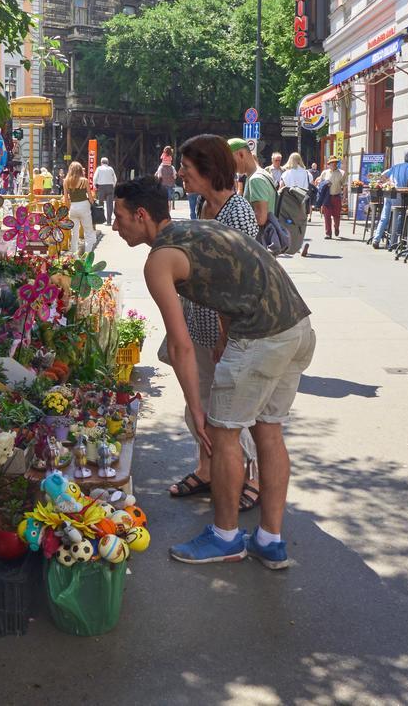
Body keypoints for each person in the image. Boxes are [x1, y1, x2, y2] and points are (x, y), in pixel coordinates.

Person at [112, 176, 317, 568]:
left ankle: (226, 538)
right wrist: (224, 334)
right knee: (269, 431)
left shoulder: (160, 260)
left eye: (120, 217)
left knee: (223, 438)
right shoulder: (198, 228)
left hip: (261, 337)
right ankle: (270, 541)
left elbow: (180, 344)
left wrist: (197, 408)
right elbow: (229, 280)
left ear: (141, 215)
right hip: (297, 327)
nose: (115, 226)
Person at [168, 135, 261, 511]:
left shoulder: (236, 211)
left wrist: (226, 334)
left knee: (232, 409)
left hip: (230, 331)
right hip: (202, 324)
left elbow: (236, 280)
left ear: (208, 170)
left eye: (187, 168)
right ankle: (206, 468)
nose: (180, 174)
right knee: (202, 403)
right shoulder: (206, 206)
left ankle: (250, 477)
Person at [371, 150, 408, 249]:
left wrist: (388, 182)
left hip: (389, 191)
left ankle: (376, 239)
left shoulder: (396, 166)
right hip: (399, 193)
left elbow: (382, 175)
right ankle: (393, 242)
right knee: (398, 215)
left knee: (385, 216)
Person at [227, 138, 274, 232]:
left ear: (241, 154)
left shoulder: (256, 179)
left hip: (258, 242)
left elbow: (260, 219)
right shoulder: (263, 174)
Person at [62, 161, 94, 255]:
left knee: (74, 233)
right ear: (80, 170)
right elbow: (90, 197)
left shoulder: (66, 181)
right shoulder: (84, 181)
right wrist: (92, 202)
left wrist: (68, 208)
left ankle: (74, 257)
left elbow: (65, 199)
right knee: (88, 232)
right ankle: (87, 255)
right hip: (84, 206)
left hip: (73, 207)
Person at [317, 157, 347, 239]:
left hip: (337, 196)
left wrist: (344, 197)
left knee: (337, 215)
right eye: (332, 163)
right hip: (327, 197)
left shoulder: (342, 173)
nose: (333, 164)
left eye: (335, 162)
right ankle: (328, 233)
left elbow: (344, 186)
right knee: (327, 216)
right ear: (329, 164)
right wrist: (324, 183)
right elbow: (319, 183)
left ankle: (336, 227)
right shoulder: (324, 173)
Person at [93, 156, 118, 224]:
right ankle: (109, 221)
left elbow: (95, 178)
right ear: (107, 162)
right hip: (110, 187)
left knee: (101, 204)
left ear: (101, 162)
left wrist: (94, 185)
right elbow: (115, 179)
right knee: (109, 205)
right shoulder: (111, 169)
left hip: (101, 187)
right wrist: (113, 186)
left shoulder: (99, 168)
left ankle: (101, 219)